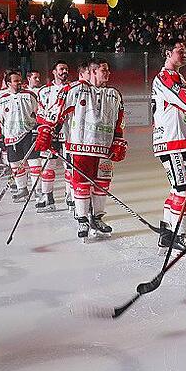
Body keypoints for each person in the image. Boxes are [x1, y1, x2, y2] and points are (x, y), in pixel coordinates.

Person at [37, 58, 126, 241]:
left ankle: (98, 217)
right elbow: (57, 110)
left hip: (104, 148)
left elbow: (119, 120)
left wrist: (118, 140)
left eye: (108, 70)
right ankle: (83, 218)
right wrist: (47, 130)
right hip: (81, 146)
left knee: (102, 185)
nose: (108, 73)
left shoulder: (114, 94)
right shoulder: (74, 89)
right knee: (82, 184)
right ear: (92, 72)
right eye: (103, 70)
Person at [152, 40, 186, 256]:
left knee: (179, 188)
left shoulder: (177, 77)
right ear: (167, 53)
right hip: (171, 141)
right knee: (183, 188)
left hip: (179, 140)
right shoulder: (165, 76)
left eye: (185, 52)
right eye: (179, 52)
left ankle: (167, 232)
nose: (184, 55)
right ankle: (179, 235)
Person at [0, 70, 40, 202]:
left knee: (34, 163)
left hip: (29, 134)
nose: (20, 83)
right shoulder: (2, 99)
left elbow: (39, 113)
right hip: (11, 137)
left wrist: (37, 130)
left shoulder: (30, 95)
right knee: (15, 164)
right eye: (16, 81)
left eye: (20, 80)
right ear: (8, 83)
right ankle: (22, 189)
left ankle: (38, 191)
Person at [36, 61, 70, 213]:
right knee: (47, 167)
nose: (64, 71)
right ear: (54, 72)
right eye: (61, 69)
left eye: (66, 69)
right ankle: (47, 196)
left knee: (69, 166)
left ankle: (71, 196)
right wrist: (46, 127)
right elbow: (40, 112)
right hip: (51, 133)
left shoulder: (73, 88)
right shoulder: (44, 91)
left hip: (69, 133)